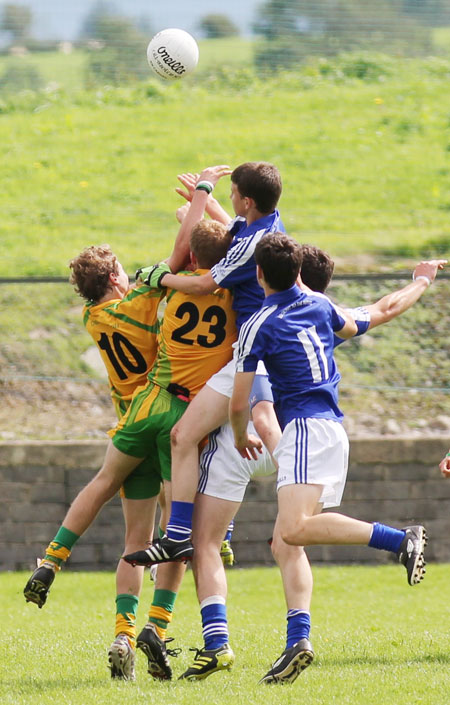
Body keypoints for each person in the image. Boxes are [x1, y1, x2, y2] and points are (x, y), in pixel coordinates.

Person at [177, 250, 447, 682]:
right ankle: (297, 642)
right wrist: (421, 281)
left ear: (258, 274)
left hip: (303, 428)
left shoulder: (256, 326)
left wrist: (241, 431)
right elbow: (382, 309)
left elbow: (240, 398)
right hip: (333, 431)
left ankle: (400, 540)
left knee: (293, 529)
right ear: (300, 275)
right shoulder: (321, 307)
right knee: (287, 544)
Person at [23, 167, 236, 680]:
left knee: (124, 525)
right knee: (175, 534)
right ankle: (157, 630)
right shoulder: (149, 300)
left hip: (130, 419)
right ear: (117, 277)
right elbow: (183, 259)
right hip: (174, 409)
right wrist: (197, 209)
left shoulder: (93, 319)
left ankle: (63, 569)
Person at [123, 161, 285, 567]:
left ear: (247, 199)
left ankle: (183, 534)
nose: (230, 200)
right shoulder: (266, 225)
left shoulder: (251, 243)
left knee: (194, 435)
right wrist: (204, 200)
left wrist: (157, 277)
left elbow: (203, 281)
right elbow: (233, 228)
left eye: (234, 194)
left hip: (250, 353)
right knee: (196, 438)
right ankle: (186, 535)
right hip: (245, 353)